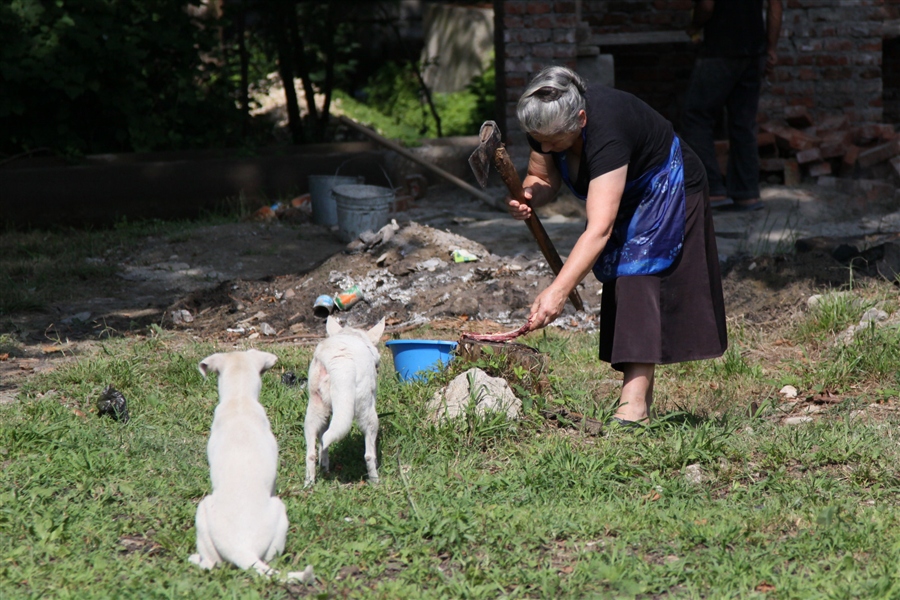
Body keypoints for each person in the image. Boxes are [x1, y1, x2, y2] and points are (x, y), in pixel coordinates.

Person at [508, 66, 727, 424]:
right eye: (537, 139)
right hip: (625, 192)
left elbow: (599, 229)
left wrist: (558, 291)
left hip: (666, 183)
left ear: (580, 119)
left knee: (636, 272)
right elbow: (543, 176)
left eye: (553, 140)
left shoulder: (607, 131)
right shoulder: (547, 125)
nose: (545, 147)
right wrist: (531, 194)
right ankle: (639, 399)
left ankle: (634, 406)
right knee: (626, 277)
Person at [680, 0, 783, 212]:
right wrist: (771, 47)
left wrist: (694, 26)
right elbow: (775, 7)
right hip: (754, 51)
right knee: (743, 124)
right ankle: (747, 194)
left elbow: (707, 5)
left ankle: (713, 190)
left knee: (695, 117)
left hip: (720, 48)